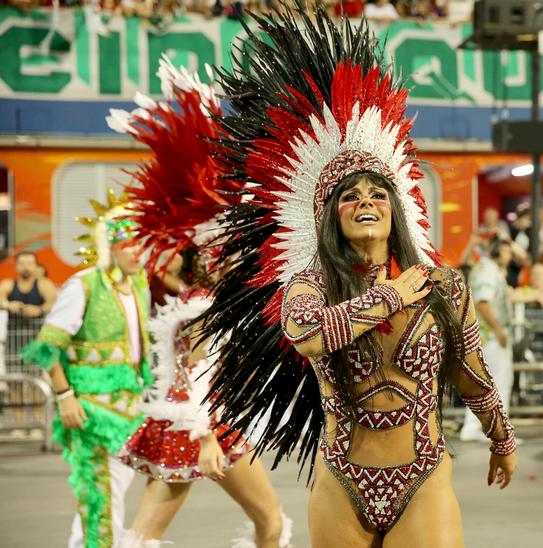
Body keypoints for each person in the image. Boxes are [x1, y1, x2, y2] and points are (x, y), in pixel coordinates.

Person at [199, 7, 517, 547]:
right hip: (342, 480)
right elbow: (308, 334)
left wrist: (501, 437)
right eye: (350, 196)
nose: (366, 202)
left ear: (396, 210)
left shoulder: (441, 286)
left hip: (424, 476)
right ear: (332, 216)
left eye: (377, 195)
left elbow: (471, 372)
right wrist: (392, 295)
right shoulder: (311, 283)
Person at [107, 58, 290, 547]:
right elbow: (199, 369)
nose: (240, 261)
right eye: (230, 253)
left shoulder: (193, 298)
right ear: (210, 258)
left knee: (145, 533)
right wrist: (208, 436)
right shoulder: (208, 304)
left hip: (183, 419)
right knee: (270, 522)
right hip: (206, 423)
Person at [21, 191, 153, 548]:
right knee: (100, 501)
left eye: (142, 245)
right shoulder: (84, 285)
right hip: (89, 412)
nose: (137, 253)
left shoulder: (138, 286)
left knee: (112, 498)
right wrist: (65, 397)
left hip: (129, 410)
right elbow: (48, 347)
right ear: (110, 246)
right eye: (129, 245)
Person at [460, 239, 515, 442]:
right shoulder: (489, 271)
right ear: (498, 252)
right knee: (497, 382)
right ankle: (496, 431)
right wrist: (498, 330)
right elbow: (483, 301)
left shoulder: (482, 268)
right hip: (490, 337)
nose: (509, 258)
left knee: (483, 383)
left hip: (483, 335)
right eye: (507, 253)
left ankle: (475, 428)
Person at [0, 251, 57, 318]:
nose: (26, 267)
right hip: (12, 327)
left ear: (36, 266)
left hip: (38, 327)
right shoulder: (8, 284)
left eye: (30, 264)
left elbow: (53, 304)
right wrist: (8, 305)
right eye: (22, 264)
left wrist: (39, 310)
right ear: (15, 266)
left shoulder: (44, 284)